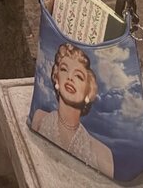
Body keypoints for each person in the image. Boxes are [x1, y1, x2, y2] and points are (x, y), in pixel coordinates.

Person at [31, 43, 115, 178]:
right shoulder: (39, 118)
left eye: (79, 76)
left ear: (89, 91)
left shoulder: (102, 154)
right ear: (56, 79)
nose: (70, 77)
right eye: (64, 69)